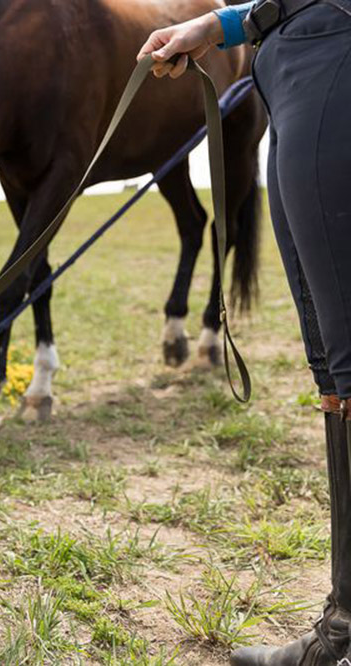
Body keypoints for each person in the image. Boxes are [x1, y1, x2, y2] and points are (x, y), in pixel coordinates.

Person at [138, 1, 351, 665]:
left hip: (334, 47)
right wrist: (220, 27)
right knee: (330, 364)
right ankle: (343, 628)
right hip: (286, 61)